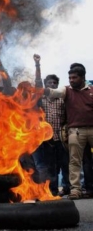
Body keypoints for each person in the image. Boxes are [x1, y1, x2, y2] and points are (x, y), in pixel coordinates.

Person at [43, 63, 93, 200]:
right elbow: (54, 92)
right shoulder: (66, 91)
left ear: (82, 78)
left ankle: (88, 188)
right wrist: (42, 90)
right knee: (74, 162)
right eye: (69, 78)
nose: (71, 80)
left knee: (87, 161)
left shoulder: (91, 91)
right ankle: (76, 190)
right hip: (75, 132)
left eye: (74, 78)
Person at [32, 54, 70, 196]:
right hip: (47, 140)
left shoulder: (62, 101)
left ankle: (67, 188)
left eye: (54, 83)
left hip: (60, 138)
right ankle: (52, 191)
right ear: (45, 85)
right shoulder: (41, 99)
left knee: (63, 165)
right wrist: (37, 65)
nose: (52, 85)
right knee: (50, 167)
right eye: (49, 83)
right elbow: (37, 83)